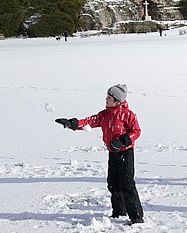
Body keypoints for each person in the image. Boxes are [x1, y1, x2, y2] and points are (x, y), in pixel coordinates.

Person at [55, 84, 144, 224]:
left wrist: (124, 141)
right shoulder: (105, 114)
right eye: (107, 96)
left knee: (127, 184)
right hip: (113, 154)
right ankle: (119, 212)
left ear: (117, 100)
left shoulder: (128, 114)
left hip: (126, 154)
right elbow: (89, 121)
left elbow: (136, 131)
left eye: (109, 97)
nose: (106, 99)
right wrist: (72, 123)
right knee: (113, 184)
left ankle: (136, 216)